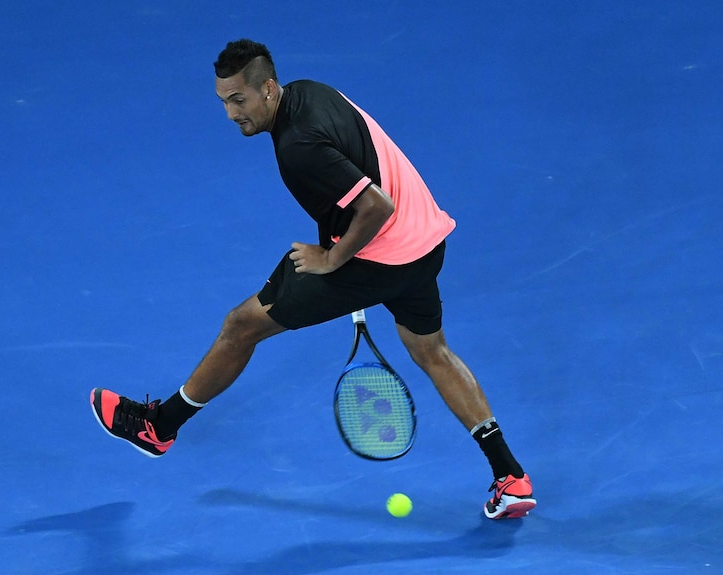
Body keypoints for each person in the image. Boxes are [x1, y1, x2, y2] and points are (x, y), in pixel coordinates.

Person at [91, 39, 536, 519]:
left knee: (241, 325)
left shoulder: (296, 147)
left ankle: (159, 427)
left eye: (238, 100)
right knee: (433, 352)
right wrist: (336, 233)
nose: (230, 114)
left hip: (377, 256)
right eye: (222, 102)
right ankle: (510, 476)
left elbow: (374, 207)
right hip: (425, 242)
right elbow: (361, 173)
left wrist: (331, 257)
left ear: (267, 89)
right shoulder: (312, 92)